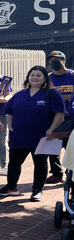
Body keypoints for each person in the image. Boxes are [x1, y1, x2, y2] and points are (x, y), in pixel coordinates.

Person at [0, 65, 65, 201]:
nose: (35, 78)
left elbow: (60, 114)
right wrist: (10, 126)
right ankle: (11, 187)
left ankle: (37, 190)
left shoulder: (52, 94)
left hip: (41, 137)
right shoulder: (20, 94)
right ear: (28, 77)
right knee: (14, 162)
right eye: (32, 75)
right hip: (19, 136)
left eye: (38, 75)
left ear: (45, 78)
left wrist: (52, 129)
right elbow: (9, 110)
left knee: (40, 164)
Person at [45, 51, 74, 184]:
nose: (54, 62)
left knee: (71, 147)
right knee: (53, 147)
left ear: (64, 61)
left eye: (57, 59)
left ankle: (71, 173)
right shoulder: (48, 78)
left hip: (70, 118)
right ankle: (56, 173)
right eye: (51, 60)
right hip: (54, 118)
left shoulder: (72, 75)